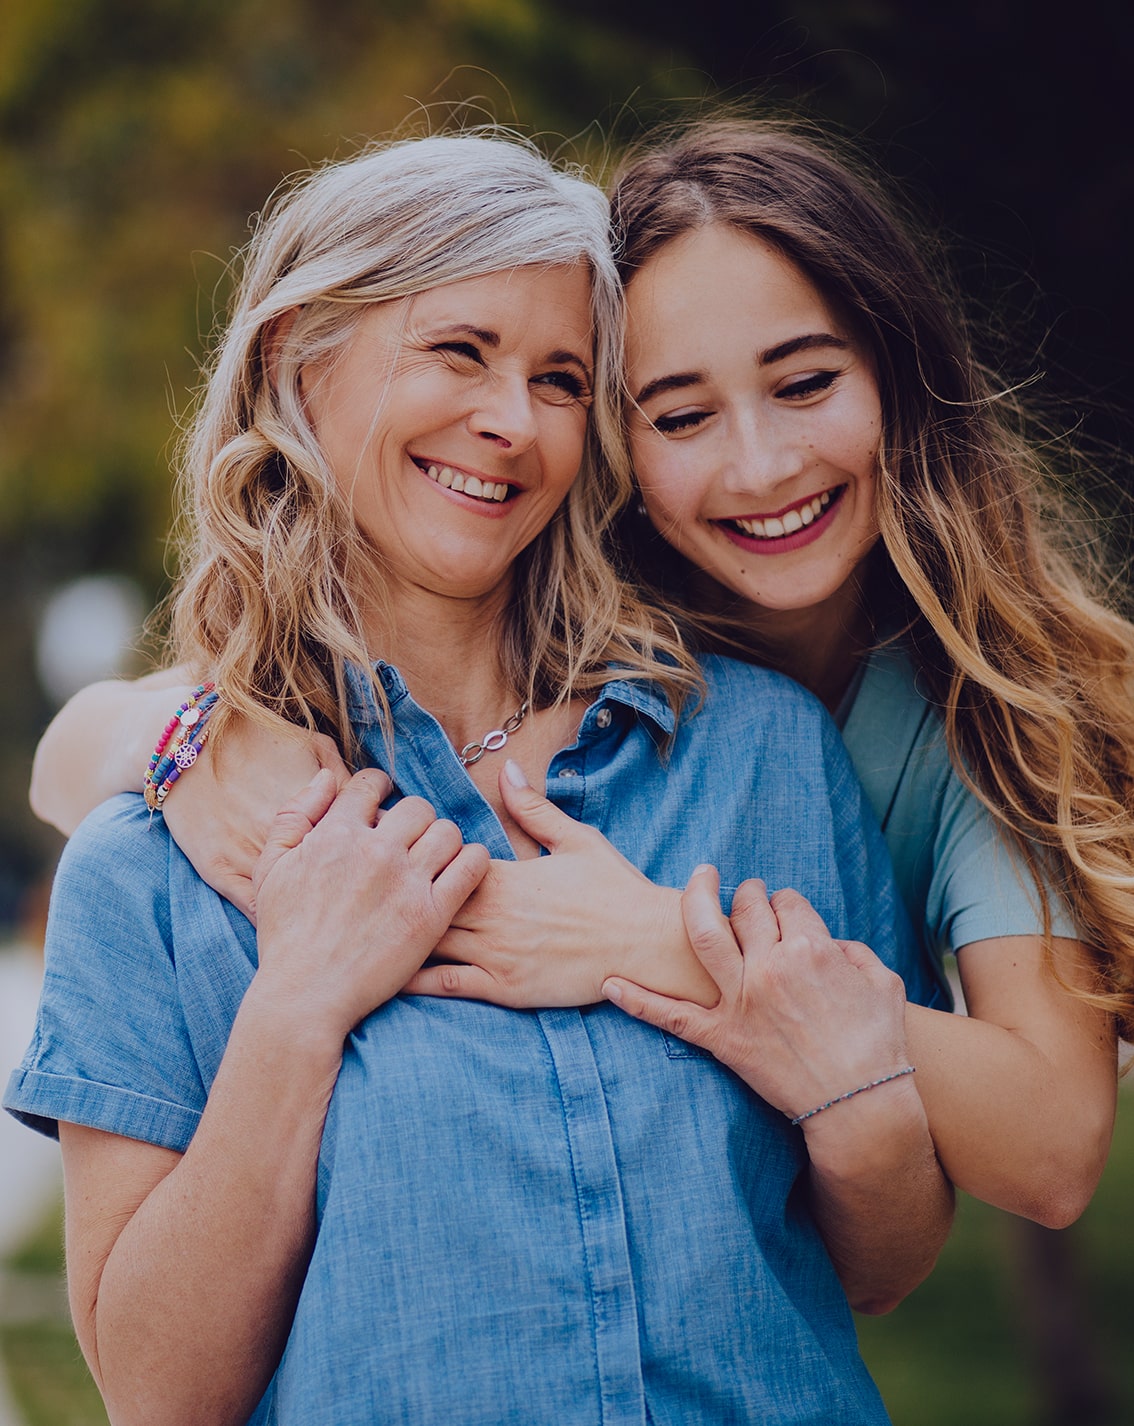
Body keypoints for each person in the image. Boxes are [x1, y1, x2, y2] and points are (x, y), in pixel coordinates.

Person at [5, 130, 951, 1426]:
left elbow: (885, 1262)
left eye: (561, 378)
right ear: (299, 358)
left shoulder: (756, 752)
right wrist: (297, 1009)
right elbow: (157, 1396)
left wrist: (844, 1077)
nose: (510, 423)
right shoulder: (157, 860)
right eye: (459, 350)